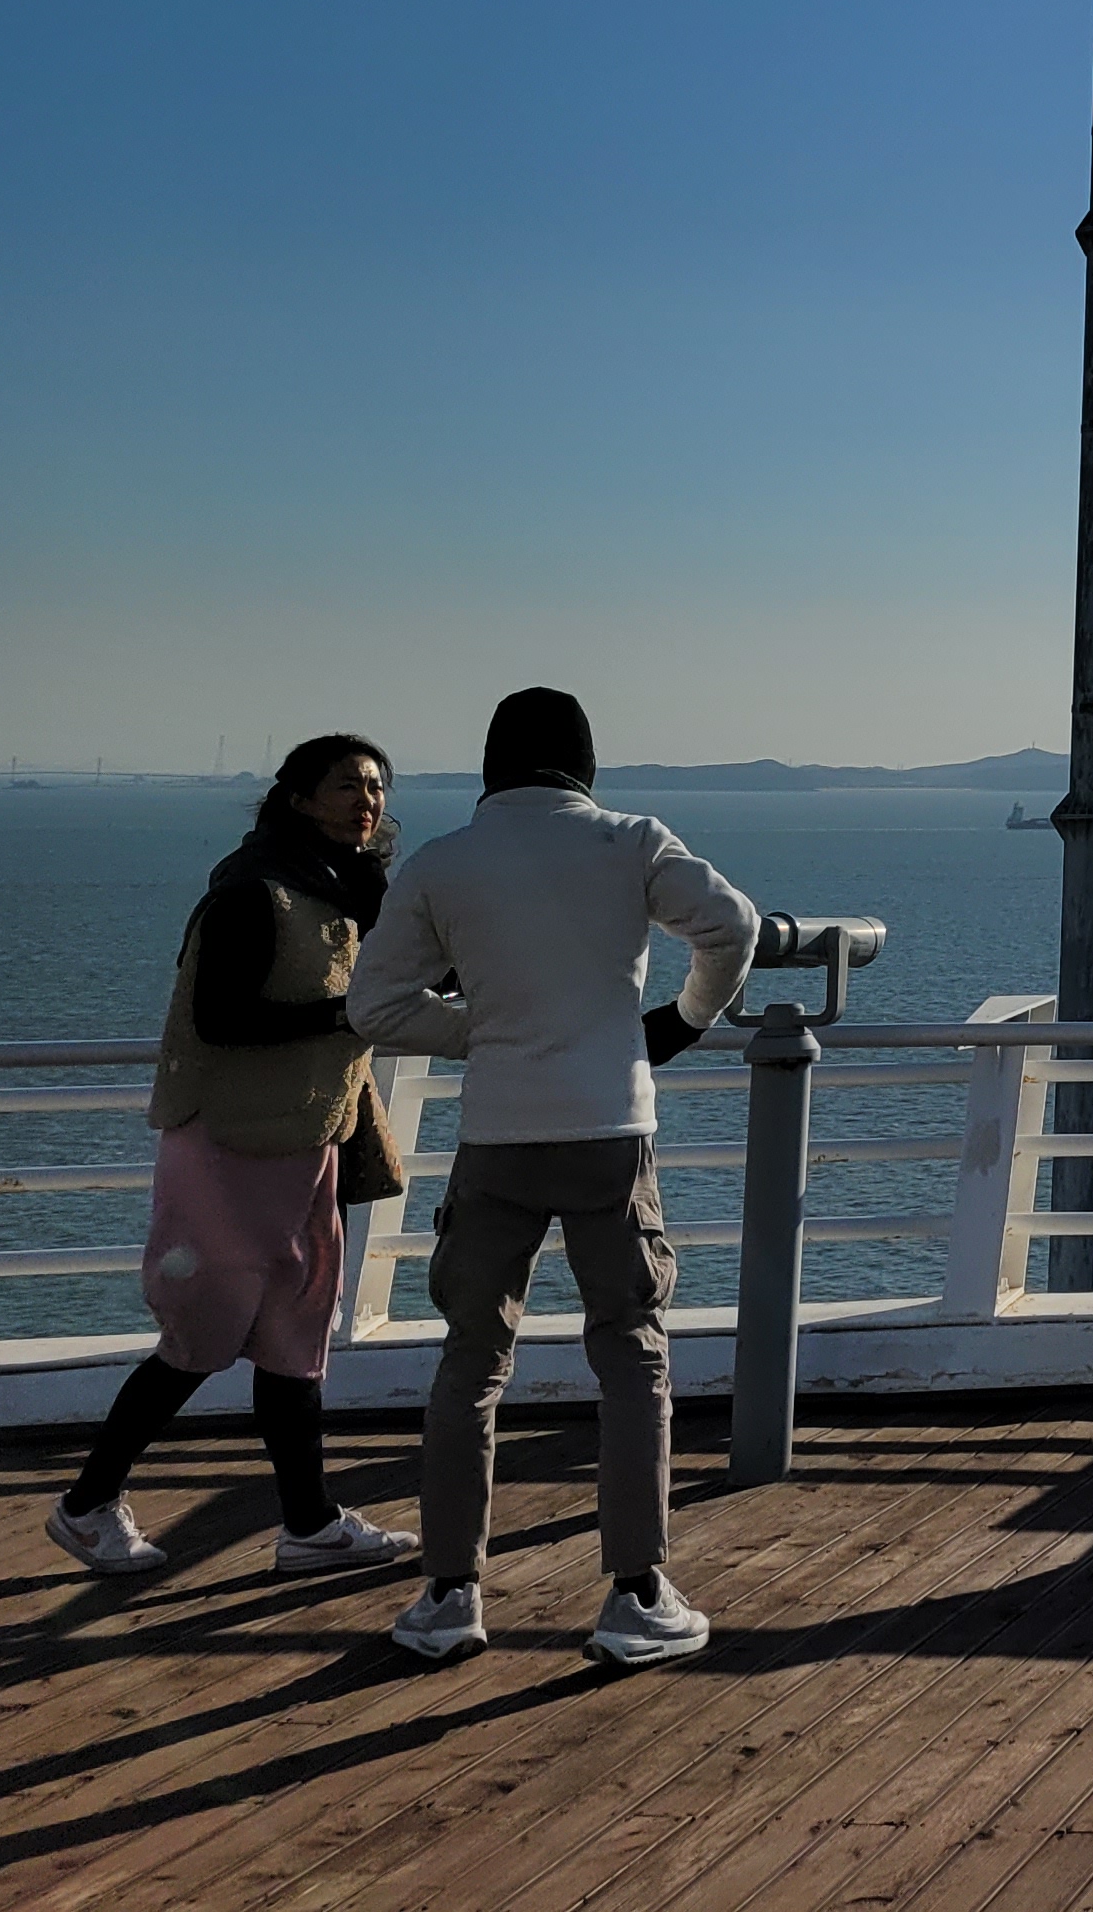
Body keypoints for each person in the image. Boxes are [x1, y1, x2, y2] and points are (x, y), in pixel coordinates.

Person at [348, 686, 757, 1670]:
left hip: (497, 1140)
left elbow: (374, 1006)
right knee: (632, 1355)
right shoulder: (630, 841)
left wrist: (483, 1032)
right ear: (586, 765)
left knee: (471, 1361)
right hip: (611, 1135)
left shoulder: (444, 862)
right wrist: (682, 1021)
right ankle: (636, 1595)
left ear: (492, 766)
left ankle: (449, 1594)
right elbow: (732, 927)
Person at [46, 734, 423, 1580]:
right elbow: (221, 1019)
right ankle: (86, 1506)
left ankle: (310, 1525)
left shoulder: (350, 892)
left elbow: (391, 985)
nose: (367, 801)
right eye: (347, 786)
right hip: (227, 1150)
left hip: (309, 1141)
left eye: (376, 787)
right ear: (298, 799)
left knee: (294, 1337)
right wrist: (349, 1012)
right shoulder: (254, 893)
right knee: (201, 1333)